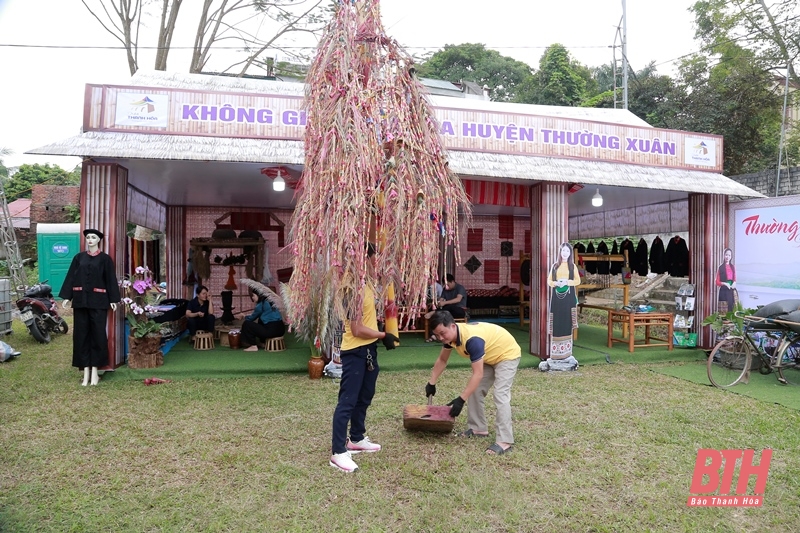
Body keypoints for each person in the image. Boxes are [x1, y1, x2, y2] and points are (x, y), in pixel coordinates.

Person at [330, 244, 399, 473]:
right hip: (355, 351)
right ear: (363, 258)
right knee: (348, 401)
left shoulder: (367, 282)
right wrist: (383, 335)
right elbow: (357, 329)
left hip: (369, 350)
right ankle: (338, 452)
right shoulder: (350, 288)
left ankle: (356, 439)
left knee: (365, 396)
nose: (375, 262)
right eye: (373, 257)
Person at [426, 310, 520, 455]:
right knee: (475, 389)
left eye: (442, 333)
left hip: (507, 354)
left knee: (500, 394)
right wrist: (431, 383)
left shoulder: (472, 340)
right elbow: (442, 360)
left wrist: (460, 400)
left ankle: (505, 442)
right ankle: (478, 429)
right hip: (489, 355)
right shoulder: (450, 338)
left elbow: (478, 374)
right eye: (437, 335)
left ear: (452, 326)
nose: (441, 338)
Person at [59, 228, 121, 386]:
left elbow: (110, 280)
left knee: (98, 335)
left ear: (99, 240)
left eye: (93, 237)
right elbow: (71, 276)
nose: (90, 240)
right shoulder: (78, 258)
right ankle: (85, 370)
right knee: (81, 335)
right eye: (88, 237)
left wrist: (113, 299)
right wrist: (67, 296)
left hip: (99, 302)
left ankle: (95, 371)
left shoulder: (105, 259)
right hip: (80, 302)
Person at [540, 242, 580, 371]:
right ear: (560, 252)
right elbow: (549, 281)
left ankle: (567, 354)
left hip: (568, 299)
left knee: (567, 322)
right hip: (556, 298)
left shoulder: (572, 266)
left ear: (570, 253)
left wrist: (567, 282)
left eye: (567, 251)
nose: (565, 253)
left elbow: (577, 281)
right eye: (563, 251)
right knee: (557, 322)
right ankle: (555, 354)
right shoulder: (555, 266)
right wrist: (556, 283)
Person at [715, 247, 737, 314]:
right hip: (723, 292)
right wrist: (724, 283)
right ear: (724, 255)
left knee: (732, 308)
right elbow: (717, 282)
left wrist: (734, 283)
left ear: (731, 257)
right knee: (723, 311)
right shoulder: (720, 267)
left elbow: (734, 278)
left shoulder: (733, 267)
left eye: (729, 255)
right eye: (726, 255)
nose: (727, 257)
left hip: (731, 291)